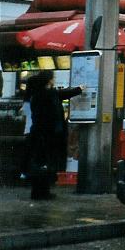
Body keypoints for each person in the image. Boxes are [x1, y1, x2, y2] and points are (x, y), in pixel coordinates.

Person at [27, 71, 83, 200]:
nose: (54, 80)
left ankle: (38, 192)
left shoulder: (36, 95)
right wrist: (80, 89)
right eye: (53, 78)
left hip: (39, 133)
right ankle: (43, 192)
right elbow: (63, 94)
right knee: (47, 163)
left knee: (40, 163)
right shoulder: (49, 94)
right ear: (49, 80)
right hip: (48, 135)